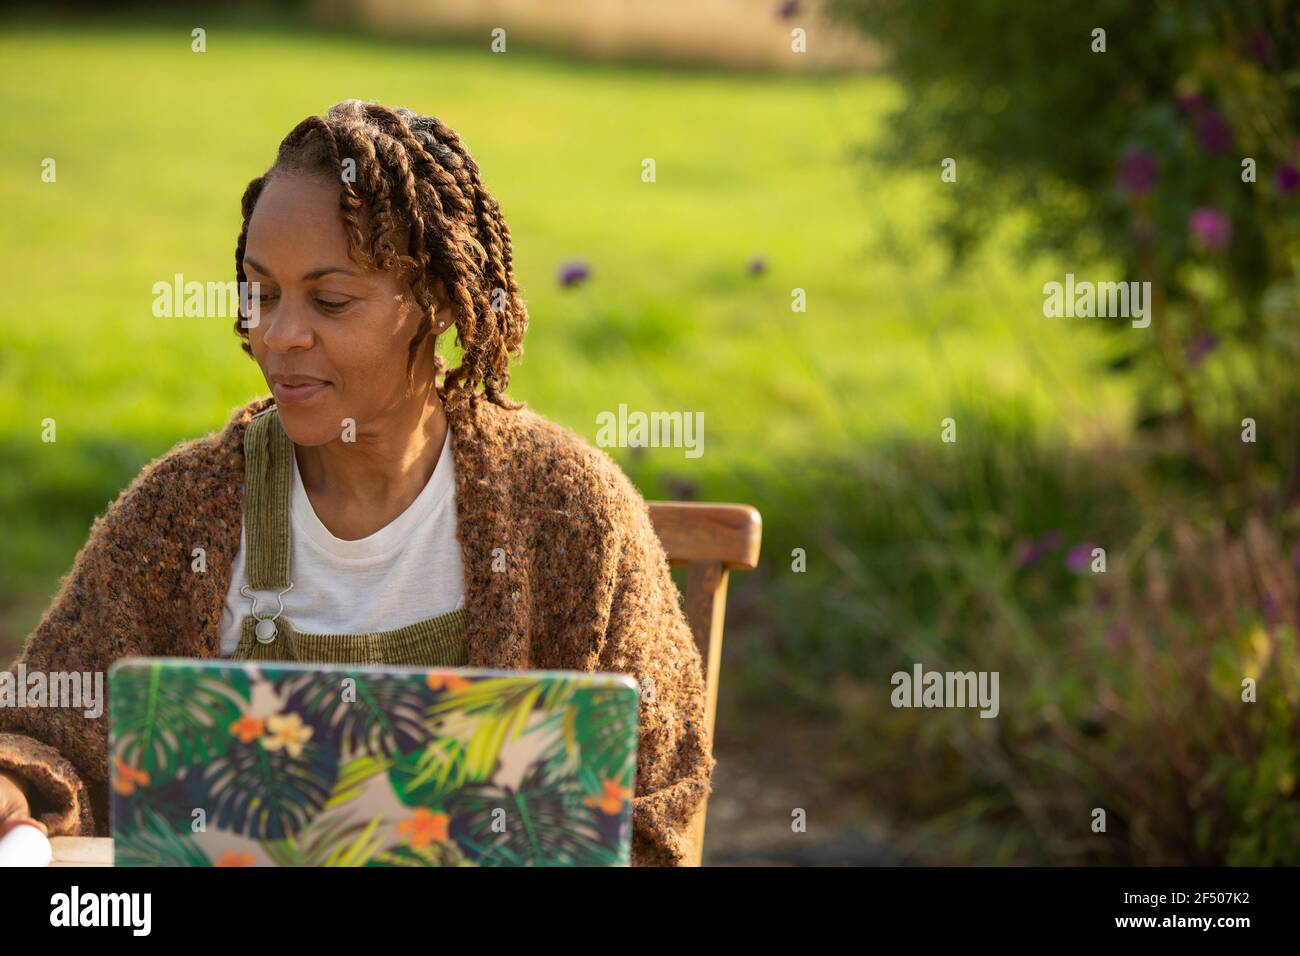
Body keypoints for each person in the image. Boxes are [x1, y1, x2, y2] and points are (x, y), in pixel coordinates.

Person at [0, 101, 713, 866]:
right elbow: (44, 735)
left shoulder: (570, 511)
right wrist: (14, 786)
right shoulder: (180, 515)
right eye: (261, 293)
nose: (279, 335)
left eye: (330, 300)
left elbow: (656, 796)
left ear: (436, 301)